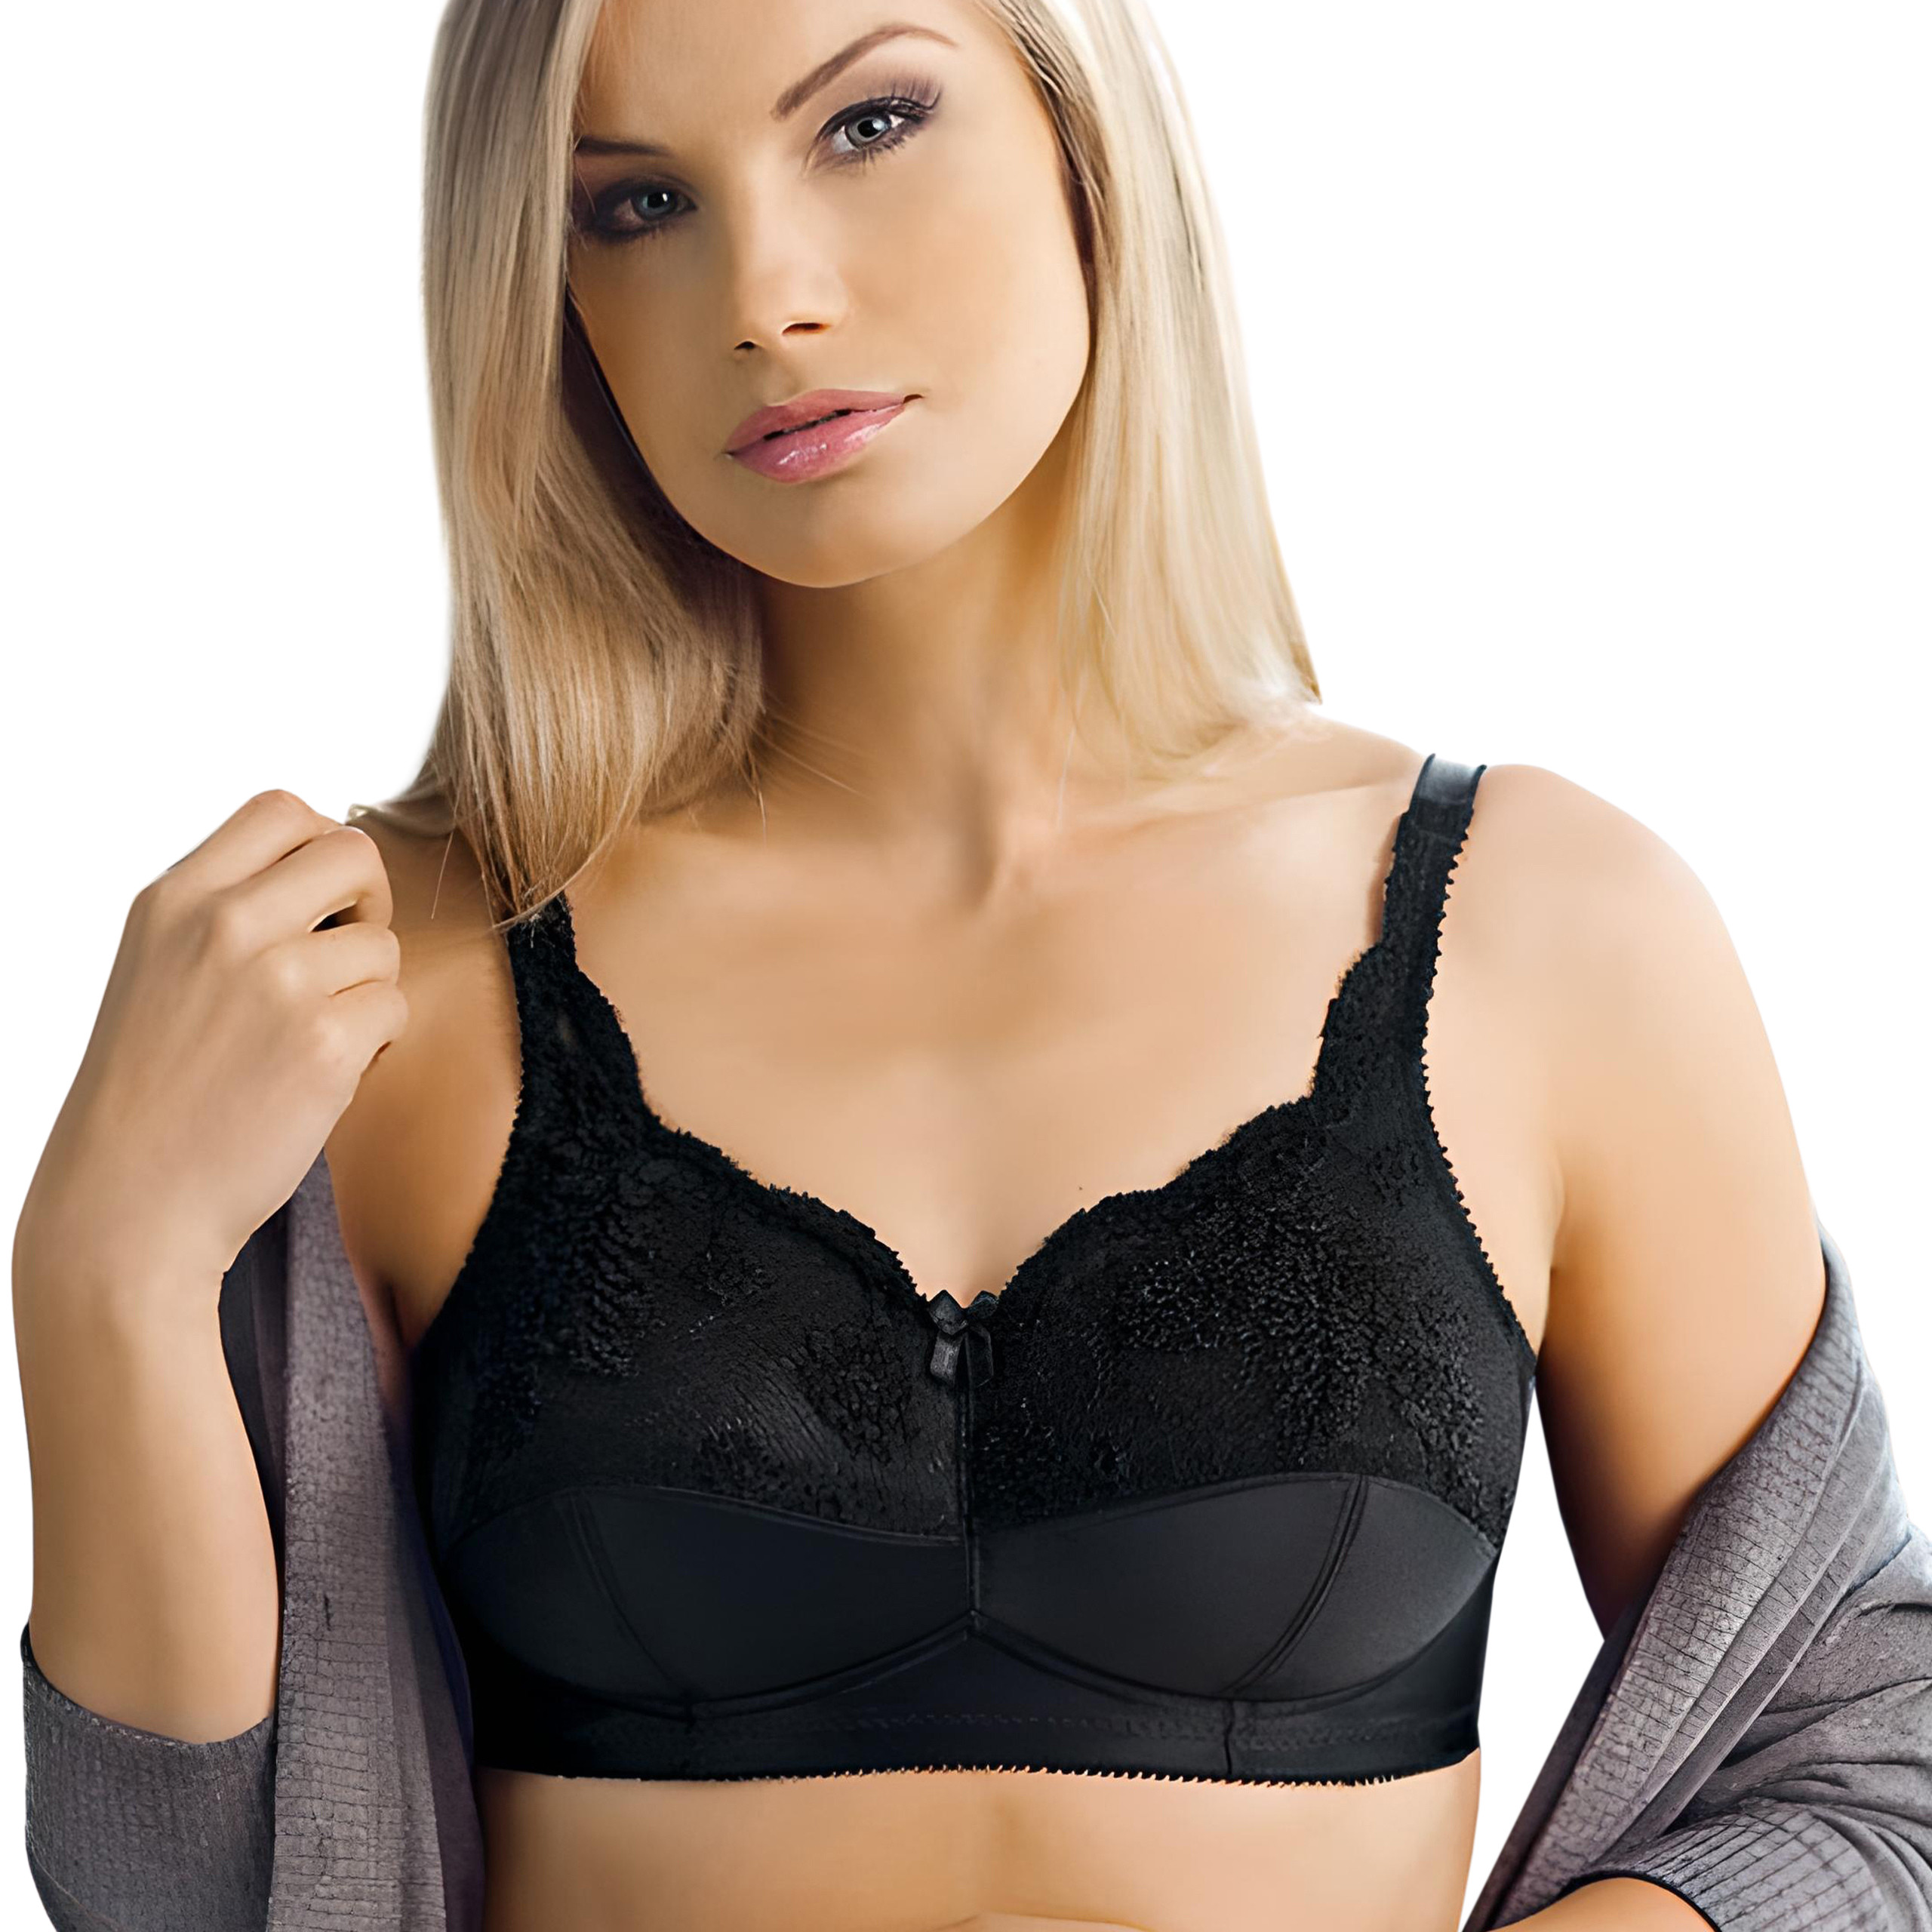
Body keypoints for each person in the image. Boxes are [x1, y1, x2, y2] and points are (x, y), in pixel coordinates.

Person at [14, 2, 1923, 1929]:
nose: (764, 297)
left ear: (1085, 138)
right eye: (636, 205)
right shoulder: (381, 987)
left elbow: (1867, 1759)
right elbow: (192, 1895)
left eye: (868, 123)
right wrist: (101, 1268)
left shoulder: (1538, 933)